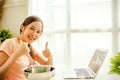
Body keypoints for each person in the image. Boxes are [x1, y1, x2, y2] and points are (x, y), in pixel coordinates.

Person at [0, 15, 53, 80]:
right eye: (32, 28)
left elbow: (47, 69)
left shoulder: (30, 47)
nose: (34, 34)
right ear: (22, 27)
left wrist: (50, 57)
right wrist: (16, 55)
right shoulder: (9, 43)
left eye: (38, 32)